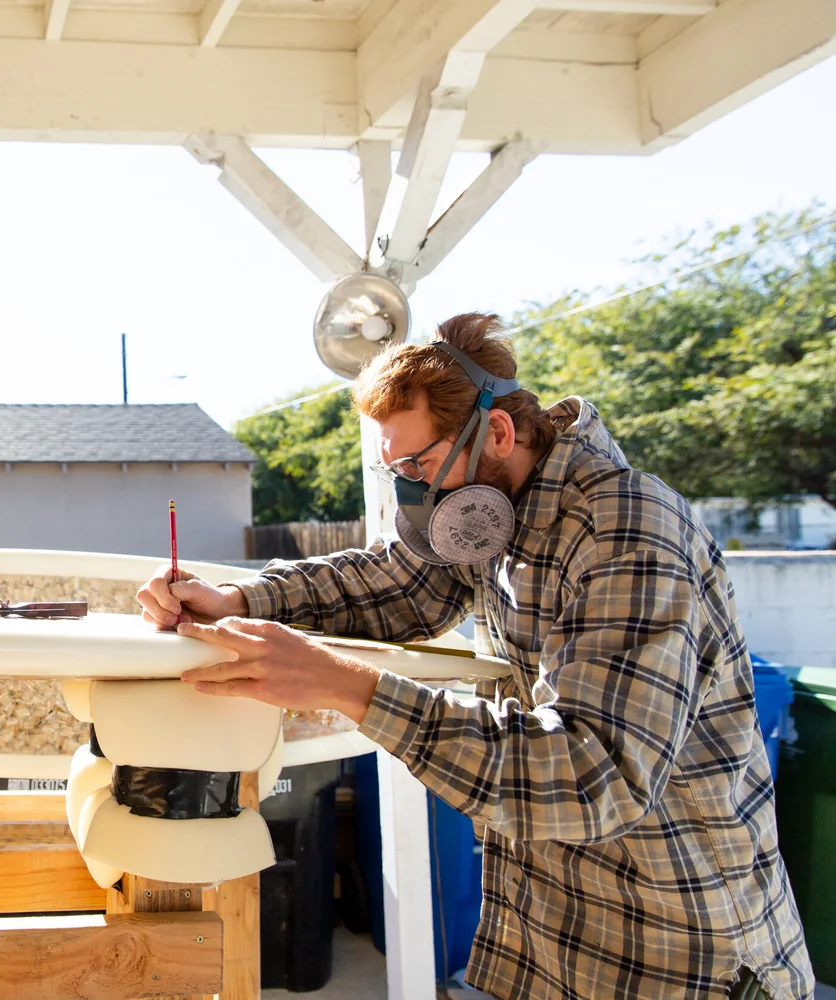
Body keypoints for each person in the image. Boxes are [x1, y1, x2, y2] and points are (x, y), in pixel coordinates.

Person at [138, 314, 812, 1000]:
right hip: (554, 939)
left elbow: (594, 773)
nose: (412, 493)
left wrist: (352, 689)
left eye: (420, 466)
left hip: (672, 953)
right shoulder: (498, 517)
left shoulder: (627, 527)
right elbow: (393, 582)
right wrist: (240, 599)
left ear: (497, 433)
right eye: (395, 471)